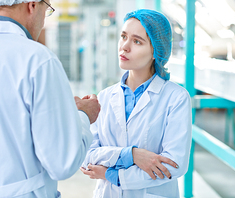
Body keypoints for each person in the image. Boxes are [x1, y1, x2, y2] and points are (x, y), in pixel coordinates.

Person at [0, 0, 100, 197]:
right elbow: (62, 163)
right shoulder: (37, 59)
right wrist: (82, 115)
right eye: (46, 11)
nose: (43, 22)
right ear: (32, 5)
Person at [80, 9, 192, 198]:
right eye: (123, 36)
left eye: (137, 41)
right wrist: (132, 155)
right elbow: (87, 156)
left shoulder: (176, 98)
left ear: (156, 51)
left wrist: (110, 173)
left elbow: (173, 166)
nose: (124, 46)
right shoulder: (106, 97)